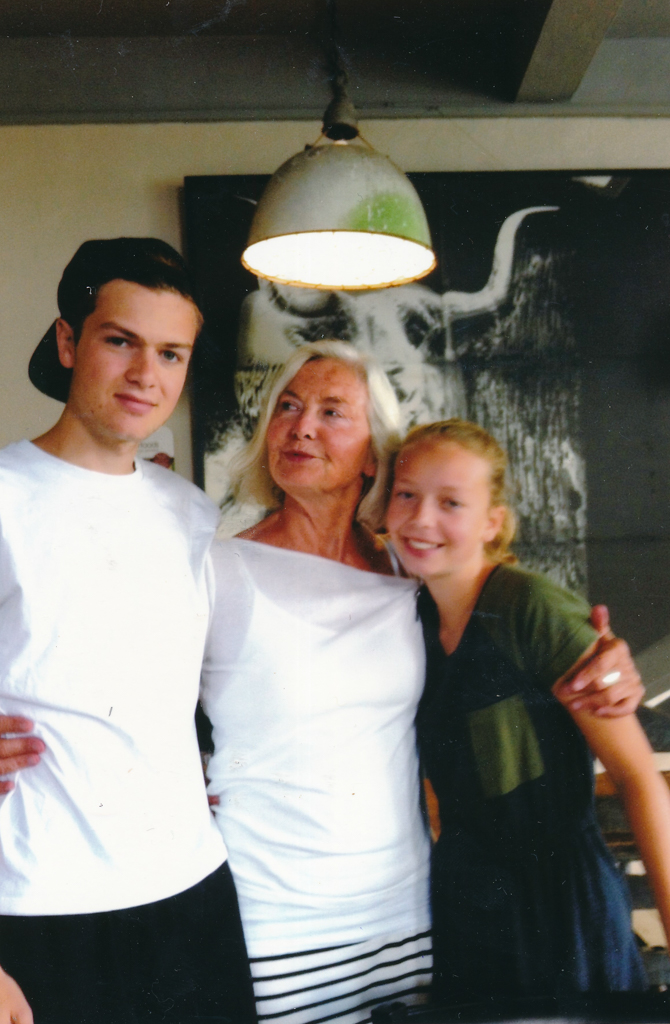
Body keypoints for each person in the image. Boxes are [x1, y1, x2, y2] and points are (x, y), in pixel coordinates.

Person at [199, 341, 644, 1024]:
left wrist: (610, 659)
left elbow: (512, 621)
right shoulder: (215, 569)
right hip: (275, 913)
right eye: (287, 407)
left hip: (407, 913)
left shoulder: (405, 578)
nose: (301, 426)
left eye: (331, 411)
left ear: (372, 455)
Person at [0, 238, 256, 1024]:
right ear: (68, 341)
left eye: (171, 353)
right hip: (39, 907)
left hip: (189, 893)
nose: (148, 374)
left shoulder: (191, 513)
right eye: (121, 341)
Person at [384, 418, 670, 1005]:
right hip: (466, 908)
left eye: (451, 503)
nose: (420, 519)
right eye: (406, 494)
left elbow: (639, 777)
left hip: (561, 908)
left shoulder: (531, 607)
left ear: (492, 522)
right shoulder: (411, 617)